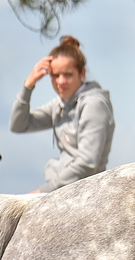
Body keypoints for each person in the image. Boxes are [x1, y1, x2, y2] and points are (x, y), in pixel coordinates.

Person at [10, 35, 115, 193]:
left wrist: (43, 192)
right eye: (55, 75)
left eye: (68, 75)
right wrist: (29, 84)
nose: (60, 81)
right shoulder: (58, 105)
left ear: (82, 73)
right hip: (64, 192)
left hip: (87, 193)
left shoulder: (94, 104)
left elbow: (87, 162)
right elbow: (18, 125)